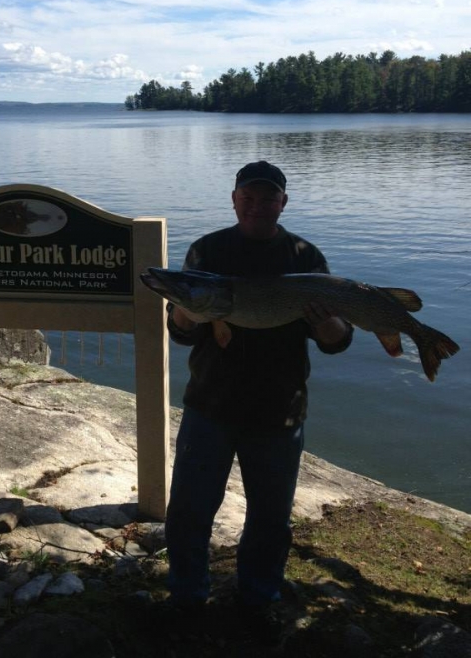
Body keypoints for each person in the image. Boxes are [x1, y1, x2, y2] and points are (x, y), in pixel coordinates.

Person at [164, 160, 353, 637]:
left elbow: (337, 341)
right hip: (210, 404)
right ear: (234, 199)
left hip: (279, 410)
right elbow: (181, 332)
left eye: (267, 197)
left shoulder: (304, 256)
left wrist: (328, 324)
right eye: (248, 196)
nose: (256, 205)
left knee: (270, 520)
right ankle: (186, 598)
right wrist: (184, 311)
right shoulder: (207, 250)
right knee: (188, 511)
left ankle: (257, 600)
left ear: (282, 203)